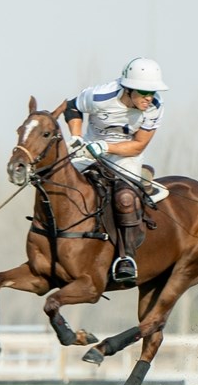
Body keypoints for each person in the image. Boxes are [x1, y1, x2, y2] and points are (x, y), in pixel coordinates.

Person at [57, 57, 168, 284]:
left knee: (126, 198)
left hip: (125, 155)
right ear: (127, 89)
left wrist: (106, 147)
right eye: (144, 92)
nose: (149, 98)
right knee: (59, 182)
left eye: (152, 92)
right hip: (88, 146)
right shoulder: (100, 96)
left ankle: (126, 258)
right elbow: (72, 107)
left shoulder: (155, 107)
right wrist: (77, 137)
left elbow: (138, 144)